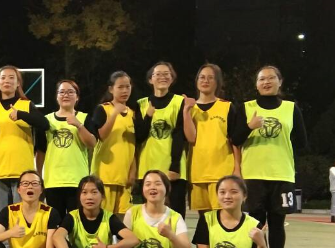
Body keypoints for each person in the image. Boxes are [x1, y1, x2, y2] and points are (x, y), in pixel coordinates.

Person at [233, 65, 307, 248]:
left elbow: (302, 142)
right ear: (256, 84)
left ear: (280, 81)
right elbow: (235, 139)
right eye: (262, 79)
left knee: (277, 224)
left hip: (281, 173)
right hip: (253, 174)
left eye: (271, 78)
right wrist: (250, 126)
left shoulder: (291, 108)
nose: (266, 82)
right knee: (255, 223)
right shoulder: (247, 107)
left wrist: (280, 149)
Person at [0, 66, 48, 210]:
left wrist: (21, 115)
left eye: (11, 77)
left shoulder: (26, 105)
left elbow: (44, 124)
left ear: (18, 83)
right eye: (3, 78)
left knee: (21, 213)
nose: (6, 81)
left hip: (22, 170)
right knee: (2, 214)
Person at [186, 63, 242, 213]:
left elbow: (235, 141)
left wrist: (237, 168)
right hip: (197, 173)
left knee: (223, 217)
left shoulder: (227, 107)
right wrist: (186, 111)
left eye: (210, 78)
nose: (205, 81)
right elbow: (190, 138)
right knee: (204, 219)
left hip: (222, 173)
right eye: (202, 77)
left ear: (217, 82)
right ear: (197, 81)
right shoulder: (189, 108)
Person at [36, 79, 97, 217]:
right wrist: (39, 177)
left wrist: (78, 125)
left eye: (70, 92)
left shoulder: (84, 118)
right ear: (57, 96)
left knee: (76, 221)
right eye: (62, 92)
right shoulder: (47, 120)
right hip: (53, 181)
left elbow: (92, 143)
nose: (66, 95)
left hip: (77, 180)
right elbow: (40, 151)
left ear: (77, 97)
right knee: (55, 222)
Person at [137, 62, 188, 217]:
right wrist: (148, 117)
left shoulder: (179, 102)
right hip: (147, 167)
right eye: (158, 74)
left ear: (172, 79)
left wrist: (175, 166)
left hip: (172, 167)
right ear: (150, 79)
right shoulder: (141, 104)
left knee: (176, 215)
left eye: (166, 74)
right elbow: (139, 136)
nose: (162, 77)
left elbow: (180, 135)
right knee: (149, 215)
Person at [91, 71, 145, 216]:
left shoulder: (133, 113)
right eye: (120, 87)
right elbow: (101, 135)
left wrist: (133, 171)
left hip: (124, 178)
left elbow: (132, 145)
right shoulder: (103, 109)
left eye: (127, 87)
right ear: (111, 89)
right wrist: (115, 113)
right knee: (104, 217)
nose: (125, 90)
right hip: (105, 176)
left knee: (123, 218)